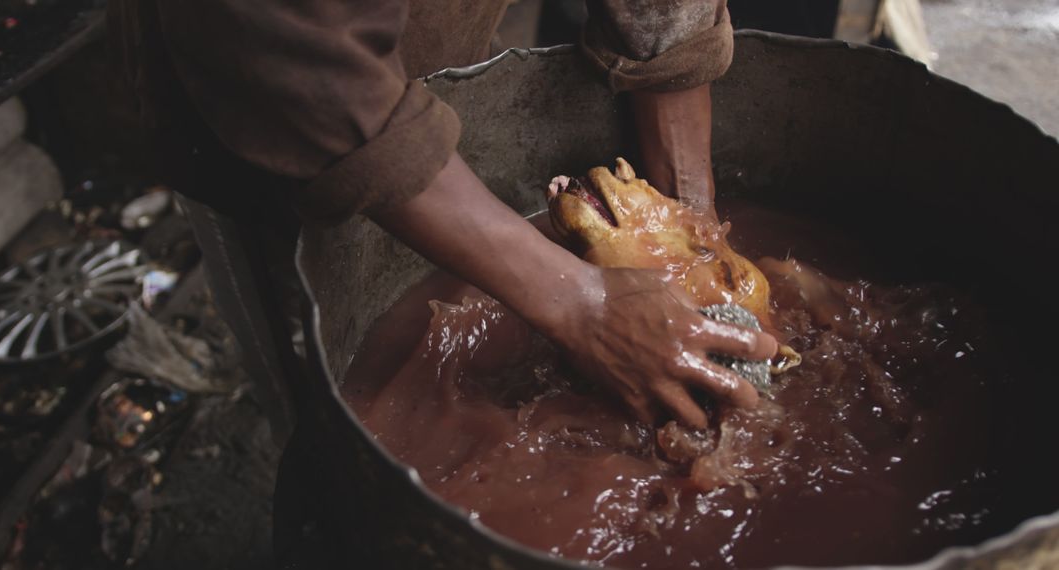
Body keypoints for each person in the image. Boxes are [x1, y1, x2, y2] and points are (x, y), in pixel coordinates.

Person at [108, 0, 777, 441]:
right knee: (319, 411)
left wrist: (691, 227)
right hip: (264, 112)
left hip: (424, 45)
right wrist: (583, 305)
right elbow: (290, 57)